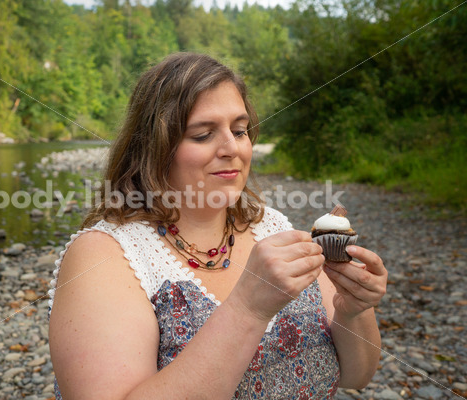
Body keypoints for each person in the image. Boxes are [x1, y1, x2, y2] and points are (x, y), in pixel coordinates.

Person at [48, 52, 387, 399]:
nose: (232, 148)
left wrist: (353, 311)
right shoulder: (103, 257)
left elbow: (356, 375)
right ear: (154, 146)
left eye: (239, 131)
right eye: (203, 134)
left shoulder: (271, 226)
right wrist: (246, 309)